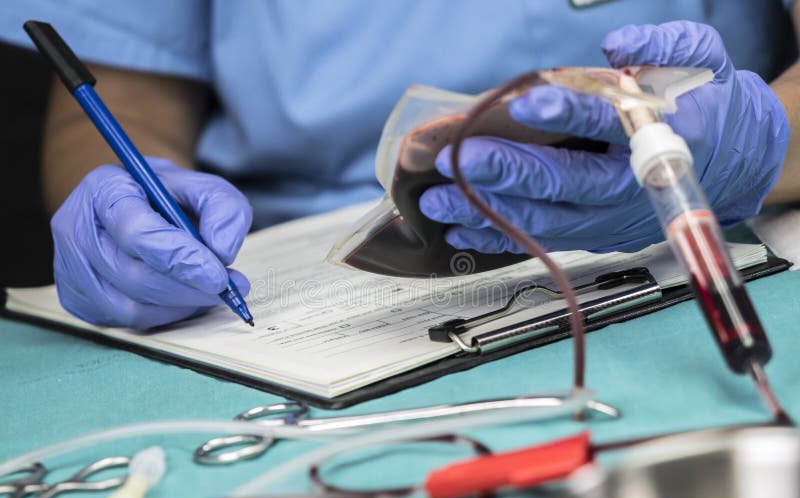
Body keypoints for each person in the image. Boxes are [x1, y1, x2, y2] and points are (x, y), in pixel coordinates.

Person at [0, 0, 798, 329]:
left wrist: (751, 141)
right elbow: (119, 94)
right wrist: (131, 205)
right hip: (287, 283)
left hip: (720, 244)